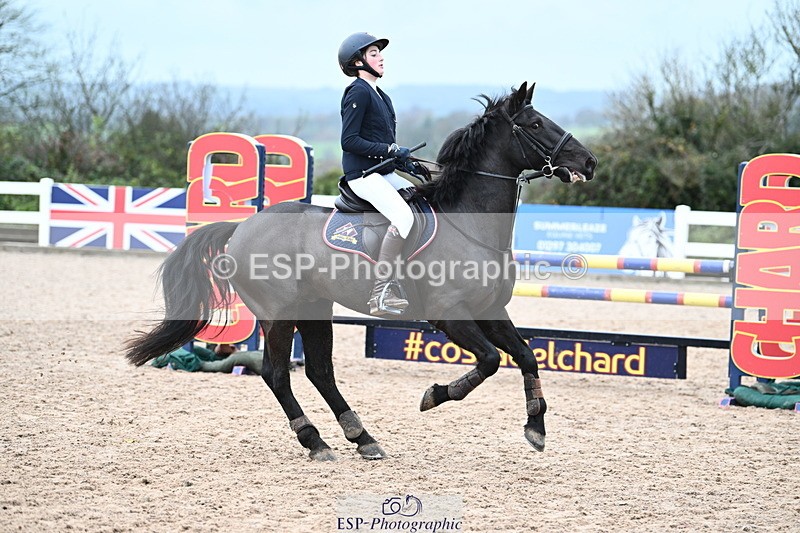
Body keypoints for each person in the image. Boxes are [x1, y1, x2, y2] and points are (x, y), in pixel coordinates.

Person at [337, 32, 416, 316]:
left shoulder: (382, 95)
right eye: (373, 54)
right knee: (404, 216)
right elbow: (349, 141)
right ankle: (381, 291)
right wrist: (391, 149)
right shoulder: (358, 91)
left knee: (421, 202)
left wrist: (405, 163)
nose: (381, 57)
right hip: (363, 175)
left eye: (379, 53)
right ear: (357, 62)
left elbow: (384, 143)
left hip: (382, 172)